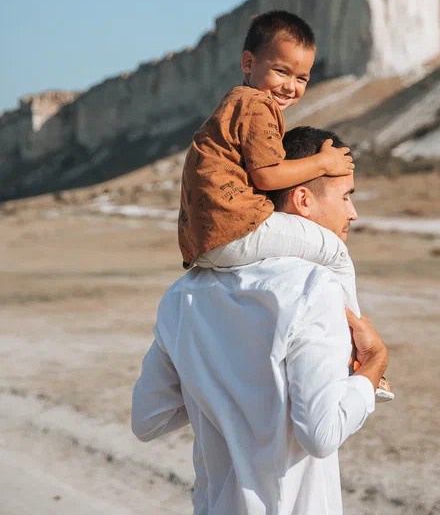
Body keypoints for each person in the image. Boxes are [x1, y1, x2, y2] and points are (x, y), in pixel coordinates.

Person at [132, 126, 390, 514]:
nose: (353, 212)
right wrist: (374, 365)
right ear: (303, 199)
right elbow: (322, 434)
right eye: (346, 196)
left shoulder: (183, 294)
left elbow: (148, 419)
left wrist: (218, 383)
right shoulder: (314, 288)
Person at [178, 9, 359, 312]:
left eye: (301, 78)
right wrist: (325, 164)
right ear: (248, 63)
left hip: (206, 239)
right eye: (281, 72)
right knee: (335, 252)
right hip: (235, 228)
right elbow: (268, 175)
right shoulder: (257, 105)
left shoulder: (234, 104)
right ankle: (356, 336)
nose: (291, 86)